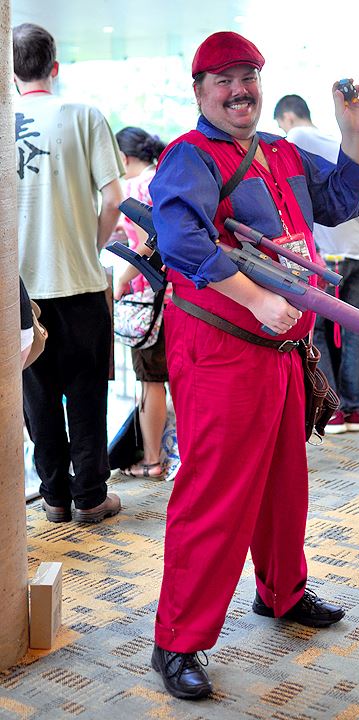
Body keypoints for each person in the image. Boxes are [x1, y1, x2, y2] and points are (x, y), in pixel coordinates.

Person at [148, 31, 359, 700]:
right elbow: (180, 240)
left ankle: (283, 591)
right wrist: (252, 296)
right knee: (216, 494)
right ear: (199, 91)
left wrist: (352, 132)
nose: (240, 89)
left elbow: (337, 203)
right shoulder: (187, 157)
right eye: (224, 79)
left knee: (283, 481)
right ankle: (177, 641)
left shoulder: (278, 151)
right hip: (219, 350)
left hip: (279, 350)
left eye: (248, 75)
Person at [13, 23, 124, 523]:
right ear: (54, 66)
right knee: (85, 391)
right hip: (80, 280)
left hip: (17, 292)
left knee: (35, 393)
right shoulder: (84, 115)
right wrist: (89, 245)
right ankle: (91, 497)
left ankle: (54, 496)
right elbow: (114, 199)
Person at [273, 94, 359, 433]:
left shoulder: (298, 138)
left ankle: (334, 409)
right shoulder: (335, 139)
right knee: (357, 328)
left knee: (315, 328)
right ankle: (355, 409)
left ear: (287, 117)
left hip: (332, 254)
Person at [114, 127, 169, 478]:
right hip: (176, 294)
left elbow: (153, 238)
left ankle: (151, 462)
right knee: (174, 378)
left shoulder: (135, 187)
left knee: (150, 380)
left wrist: (121, 280)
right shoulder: (160, 177)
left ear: (122, 158)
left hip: (148, 295)